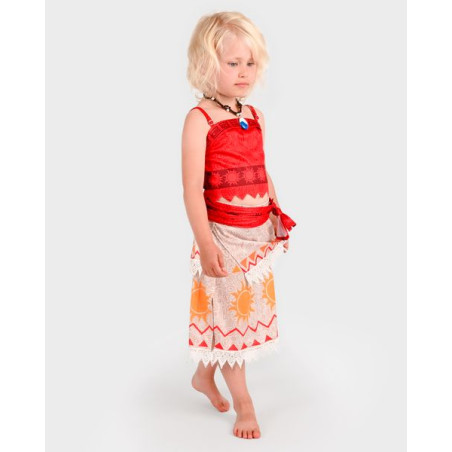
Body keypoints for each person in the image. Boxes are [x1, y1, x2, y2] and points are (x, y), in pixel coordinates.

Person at [181, 11, 297, 439]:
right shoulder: (201, 120)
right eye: (233, 63)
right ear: (206, 63)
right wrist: (205, 243)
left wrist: (275, 210)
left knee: (235, 316)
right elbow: (192, 189)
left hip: (256, 235)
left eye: (250, 63)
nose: (244, 72)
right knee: (232, 321)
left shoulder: (256, 116)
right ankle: (245, 405)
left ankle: (202, 376)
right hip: (224, 238)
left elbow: (261, 170)